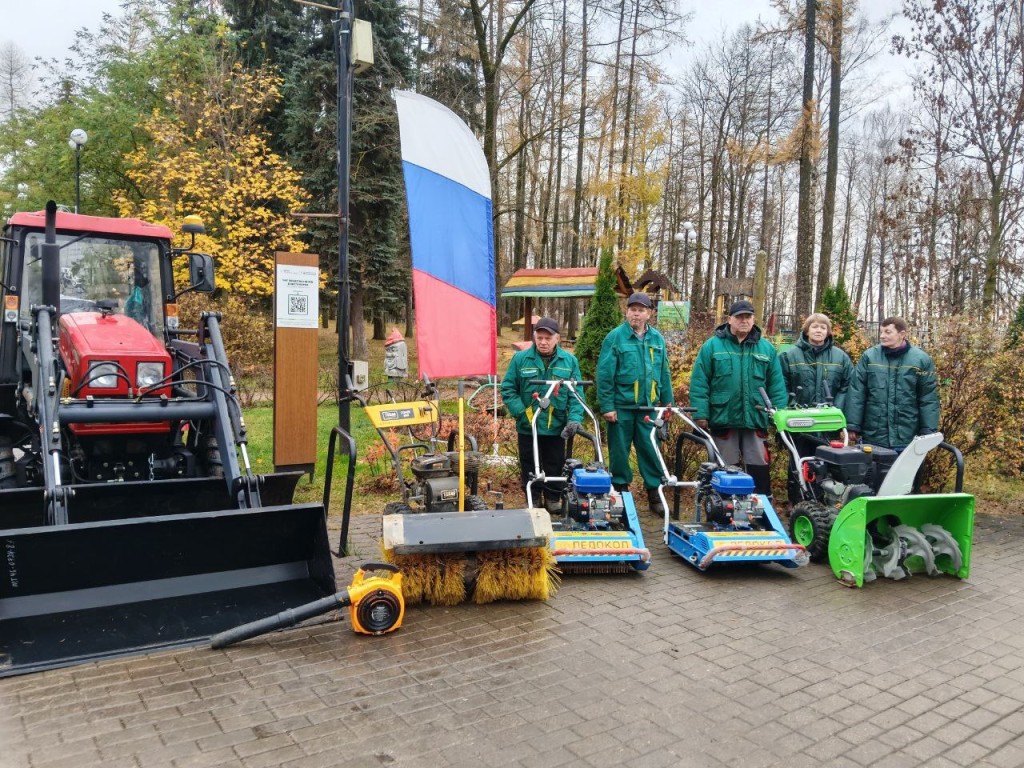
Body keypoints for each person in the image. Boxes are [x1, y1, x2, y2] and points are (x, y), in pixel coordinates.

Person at [688, 299, 787, 500]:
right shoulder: (712, 346)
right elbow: (700, 382)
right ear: (729, 320)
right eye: (739, 317)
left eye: (748, 317)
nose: (744, 321)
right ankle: (722, 507)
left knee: (759, 464)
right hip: (723, 417)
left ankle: (761, 508)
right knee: (725, 465)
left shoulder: (766, 349)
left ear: (753, 319)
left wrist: (779, 416)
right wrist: (700, 414)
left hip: (756, 417)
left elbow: (776, 384)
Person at [596, 292, 675, 514]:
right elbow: (604, 374)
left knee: (651, 450)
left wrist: (668, 403)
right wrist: (608, 406)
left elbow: (664, 372)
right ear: (626, 311)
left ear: (649, 313)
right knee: (619, 452)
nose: (636, 314)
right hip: (621, 407)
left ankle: (654, 494)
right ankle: (621, 493)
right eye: (633, 309)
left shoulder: (657, 339)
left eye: (641, 310)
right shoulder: (615, 337)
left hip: (649, 408)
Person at [500, 317, 585, 512]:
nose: (543, 342)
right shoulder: (521, 359)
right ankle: (534, 497)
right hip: (528, 425)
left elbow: (576, 394)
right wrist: (521, 413)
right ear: (534, 338)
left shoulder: (569, 361)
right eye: (540, 337)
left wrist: (574, 419)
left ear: (557, 339)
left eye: (548, 338)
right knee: (529, 463)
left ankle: (553, 498)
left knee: (555, 463)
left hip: (556, 426)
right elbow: (508, 389)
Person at [778, 312, 853, 502]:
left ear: (828, 332)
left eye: (823, 327)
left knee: (827, 463)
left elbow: (848, 386)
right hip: (799, 421)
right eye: (814, 327)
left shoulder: (840, 357)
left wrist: (837, 408)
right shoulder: (789, 355)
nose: (818, 330)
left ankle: (824, 502)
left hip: (829, 423)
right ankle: (797, 502)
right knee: (799, 463)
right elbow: (780, 384)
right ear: (806, 329)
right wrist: (790, 406)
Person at [844, 316, 939, 452]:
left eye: (888, 332)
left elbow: (928, 397)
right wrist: (853, 425)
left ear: (902, 334)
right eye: (881, 332)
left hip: (907, 436)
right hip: (874, 435)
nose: (882, 336)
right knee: (874, 473)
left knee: (906, 473)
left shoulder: (921, 360)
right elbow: (857, 392)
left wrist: (928, 429)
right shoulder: (870, 357)